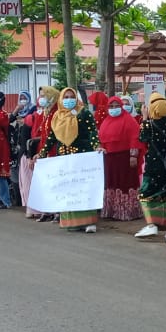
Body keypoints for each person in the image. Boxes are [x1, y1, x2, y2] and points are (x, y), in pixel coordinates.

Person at [38, 88, 101, 233]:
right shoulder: (57, 116)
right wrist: (42, 154)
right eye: (65, 97)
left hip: (82, 156)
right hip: (64, 158)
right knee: (68, 189)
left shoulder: (84, 113)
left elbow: (92, 131)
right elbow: (52, 138)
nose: (68, 99)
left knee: (83, 188)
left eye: (71, 97)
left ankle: (89, 222)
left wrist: (97, 145)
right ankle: (71, 221)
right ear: (61, 99)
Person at [136, 93, 166, 244]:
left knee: (147, 194)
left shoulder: (150, 124)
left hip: (155, 166)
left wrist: (144, 118)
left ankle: (152, 224)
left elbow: (142, 138)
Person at [96, 95, 144, 221]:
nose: (114, 109)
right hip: (109, 158)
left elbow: (135, 137)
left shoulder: (129, 120)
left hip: (125, 157)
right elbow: (100, 139)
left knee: (125, 183)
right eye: (111, 106)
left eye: (117, 106)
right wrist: (99, 147)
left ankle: (127, 212)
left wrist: (133, 155)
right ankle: (112, 211)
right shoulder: (106, 121)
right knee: (111, 182)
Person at [22, 86, 58, 221]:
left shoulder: (56, 114)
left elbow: (52, 136)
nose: (42, 98)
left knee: (54, 182)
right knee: (46, 182)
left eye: (45, 96)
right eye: (41, 96)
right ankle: (48, 210)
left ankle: (55, 211)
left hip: (55, 152)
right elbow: (44, 136)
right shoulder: (46, 113)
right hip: (45, 151)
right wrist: (41, 153)